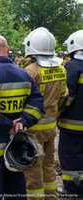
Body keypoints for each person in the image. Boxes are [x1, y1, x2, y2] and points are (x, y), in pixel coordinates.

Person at [0, 35, 44, 200]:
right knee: (15, 188)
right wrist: (23, 121)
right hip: (17, 145)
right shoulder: (24, 74)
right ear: (8, 50)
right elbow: (38, 104)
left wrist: (8, 124)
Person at [23, 27, 68, 200]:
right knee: (49, 165)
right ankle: (51, 196)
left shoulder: (31, 71)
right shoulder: (61, 69)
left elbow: (24, 98)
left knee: (33, 168)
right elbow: (64, 96)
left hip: (33, 128)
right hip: (51, 128)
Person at [58, 30, 83, 198]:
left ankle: (73, 190)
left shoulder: (71, 68)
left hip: (72, 126)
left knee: (71, 158)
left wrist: (57, 112)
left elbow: (66, 97)